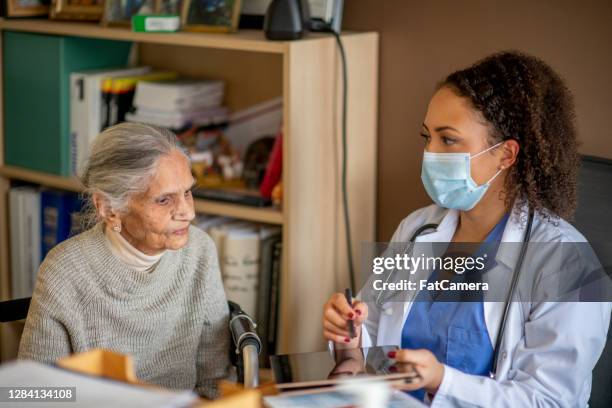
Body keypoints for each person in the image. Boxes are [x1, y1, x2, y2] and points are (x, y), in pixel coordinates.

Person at [322, 51, 611, 406]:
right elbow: (372, 334)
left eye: (448, 140)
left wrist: (443, 380)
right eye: (427, 137)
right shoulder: (417, 230)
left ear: (506, 154)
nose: (430, 153)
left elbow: (550, 400)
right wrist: (349, 336)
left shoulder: (569, 265)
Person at [19, 123, 233, 399]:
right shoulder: (64, 271)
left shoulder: (199, 251)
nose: (188, 212)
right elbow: (30, 394)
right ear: (109, 209)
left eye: (188, 192)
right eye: (164, 200)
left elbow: (216, 381)